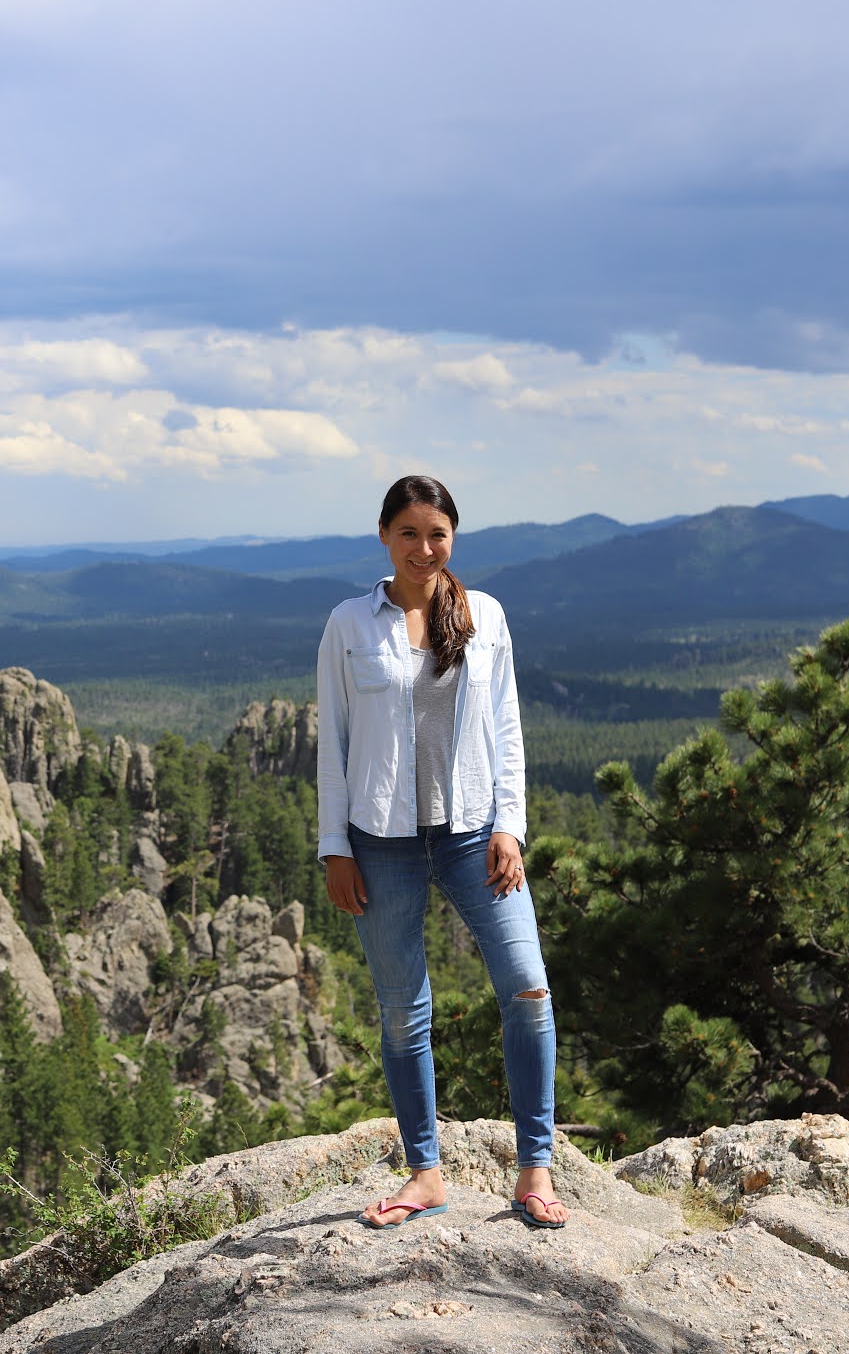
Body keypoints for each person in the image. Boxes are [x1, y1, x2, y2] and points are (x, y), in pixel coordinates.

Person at [317, 474, 568, 1230]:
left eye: (438, 534)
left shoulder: (484, 617)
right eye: (409, 534)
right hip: (379, 842)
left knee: (528, 985)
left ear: (453, 536)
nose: (425, 549)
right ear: (385, 538)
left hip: (473, 833)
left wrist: (510, 828)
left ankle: (535, 1168)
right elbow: (333, 740)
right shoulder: (349, 623)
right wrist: (335, 846)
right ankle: (424, 1174)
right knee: (403, 1013)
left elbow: (510, 729)